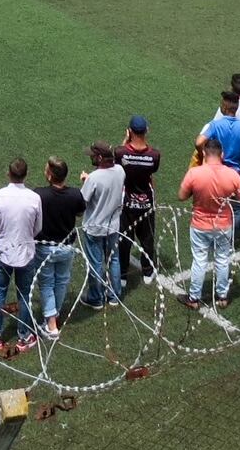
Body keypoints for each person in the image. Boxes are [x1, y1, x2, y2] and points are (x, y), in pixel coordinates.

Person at [178, 139, 240, 310]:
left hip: (200, 224)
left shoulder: (195, 173)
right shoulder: (232, 174)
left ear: (205, 154)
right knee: (222, 259)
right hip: (223, 224)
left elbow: (181, 196)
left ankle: (194, 298)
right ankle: (222, 296)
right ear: (222, 154)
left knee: (199, 261)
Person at [0, 157, 43, 355]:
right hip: (26, 253)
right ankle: (24, 335)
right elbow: (38, 228)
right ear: (25, 175)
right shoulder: (34, 198)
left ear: (9, 174)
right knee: (24, 295)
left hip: (4, 251)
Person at [34, 156, 84, 338]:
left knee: (47, 284)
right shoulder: (75, 194)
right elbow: (79, 212)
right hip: (67, 246)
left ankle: (51, 325)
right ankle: (55, 314)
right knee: (61, 281)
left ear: (49, 175)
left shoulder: (39, 194)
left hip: (45, 248)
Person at [78, 143, 125, 309]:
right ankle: (114, 296)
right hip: (113, 225)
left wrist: (86, 181)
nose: (91, 158)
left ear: (99, 157)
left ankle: (95, 298)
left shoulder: (94, 178)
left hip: (94, 227)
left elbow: (82, 203)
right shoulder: (120, 171)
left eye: (92, 155)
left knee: (95, 263)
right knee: (114, 260)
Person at [117, 117, 161, 288]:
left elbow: (118, 161)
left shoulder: (121, 153)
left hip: (127, 202)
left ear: (129, 131)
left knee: (125, 239)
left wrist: (125, 141)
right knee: (147, 238)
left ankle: (122, 275)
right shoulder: (154, 155)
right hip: (146, 202)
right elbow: (151, 174)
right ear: (146, 131)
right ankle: (148, 271)